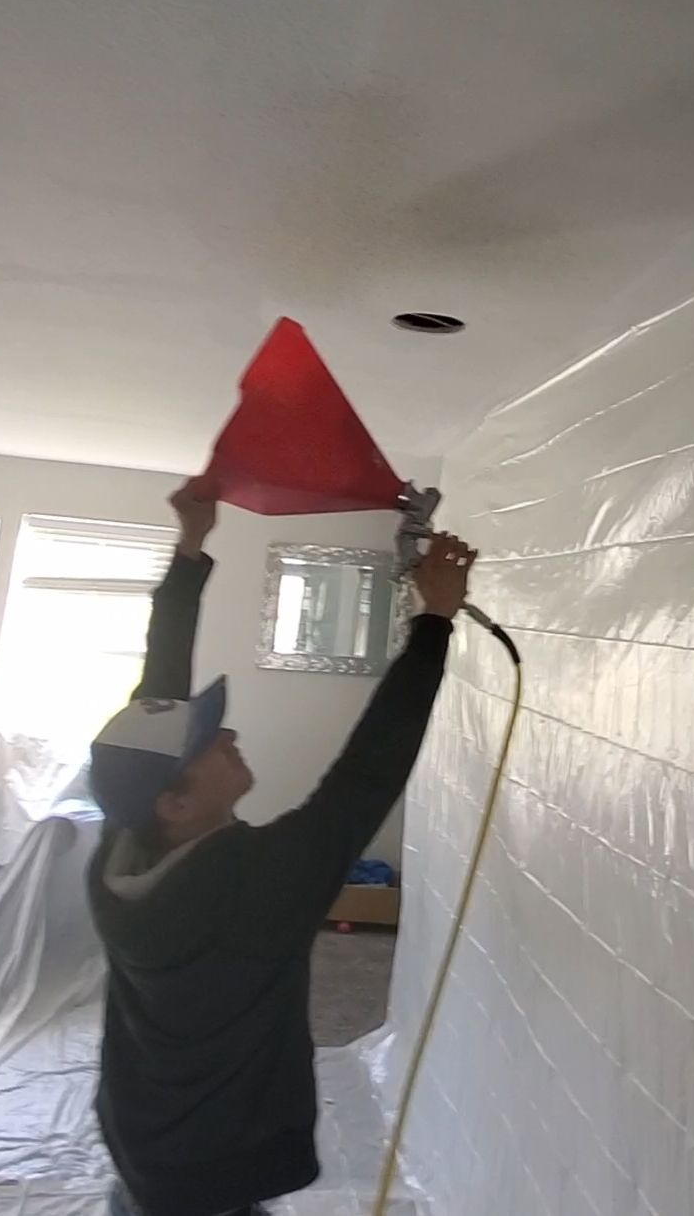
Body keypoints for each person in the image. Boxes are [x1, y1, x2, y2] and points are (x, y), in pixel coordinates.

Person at [87, 481, 476, 1216]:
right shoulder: (253, 891)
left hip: (139, 1136)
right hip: (218, 1169)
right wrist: (433, 623)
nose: (229, 735)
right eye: (210, 744)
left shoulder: (120, 851)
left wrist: (191, 549)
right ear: (176, 803)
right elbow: (366, 775)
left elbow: (158, 691)